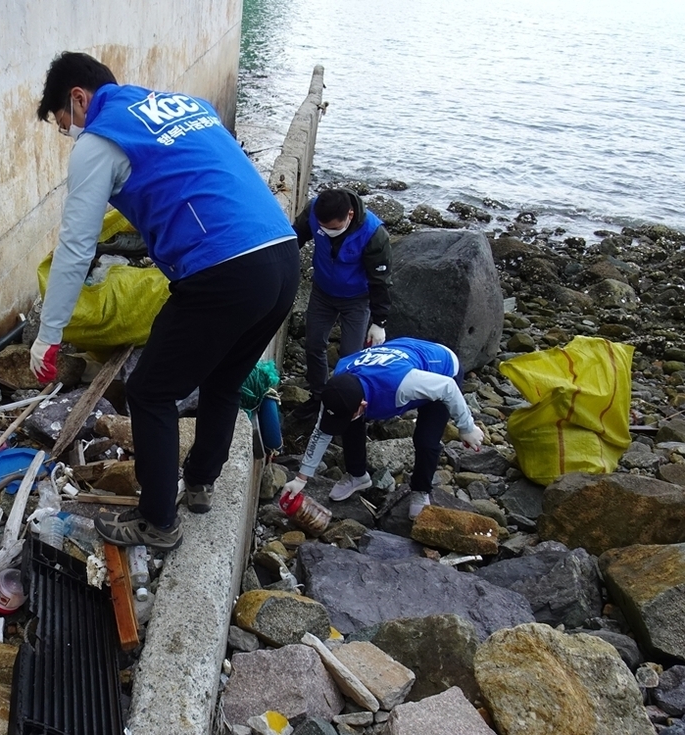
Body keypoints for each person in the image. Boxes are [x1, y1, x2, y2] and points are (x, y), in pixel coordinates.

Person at [30, 52, 300, 550]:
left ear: (78, 98)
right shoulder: (185, 104)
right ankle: (199, 484)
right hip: (282, 255)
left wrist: (49, 334)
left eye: (64, 123)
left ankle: (157, 521)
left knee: (150, 390)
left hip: (225, 267)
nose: (69, 133)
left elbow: (75, 246)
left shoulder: (100, 139)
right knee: (224, 377)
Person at [281, 337, 484, 518]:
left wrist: (467, 427)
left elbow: (447, 387)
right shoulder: (338, 387)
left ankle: (421, 492)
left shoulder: (401, 384)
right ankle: (357, 476)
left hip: (441, 368)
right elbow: (321, 431)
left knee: (426, 440)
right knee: (348, 423)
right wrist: (301, 478)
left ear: (363, 406)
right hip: (401, 357)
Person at [291, 188, 392, 420]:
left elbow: (381, 281)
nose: (329, 232)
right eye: (324, 228)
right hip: (323, 292)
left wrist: (380, 321)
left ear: (349, 214)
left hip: (356, 299)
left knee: (350, 357)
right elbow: (295, 237)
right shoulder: (315, 210)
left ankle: (349, 403)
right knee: (314, 344)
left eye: (334, 229)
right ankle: (318, 396)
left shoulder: (374, 234)